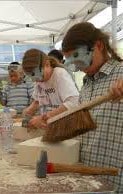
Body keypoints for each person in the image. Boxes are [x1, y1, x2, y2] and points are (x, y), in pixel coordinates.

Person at [62, 22, 123, 193]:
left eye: (80, 59)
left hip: (116, 181)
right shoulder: (86, 84)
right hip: (89, 180)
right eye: (74, 63)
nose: (79, 67)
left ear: (98, 45)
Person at [22, 49, 79, 129]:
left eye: (39, 76)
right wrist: (29, 111)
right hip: (51, 128)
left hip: (66, 128)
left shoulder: (59, 74)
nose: (37, 80)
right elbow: (37, 101)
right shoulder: (39, 81)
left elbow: (74, 102)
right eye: (33, 78)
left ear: (47, 64)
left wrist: (45, 117)